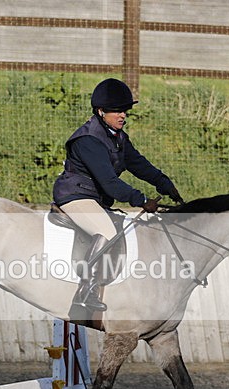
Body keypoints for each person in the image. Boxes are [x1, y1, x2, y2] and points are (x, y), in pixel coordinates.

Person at [52, 78, 183, 312]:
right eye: (116, 111)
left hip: (93, 197)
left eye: (124, 110)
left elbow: (138, 164)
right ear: (101, 111)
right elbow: (111, 184)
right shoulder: (88, 139)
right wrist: (141, 200)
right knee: (106, 231)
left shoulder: (118, 136)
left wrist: (163, 182)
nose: (122, 115)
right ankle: (86, 290)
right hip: (74, 195)